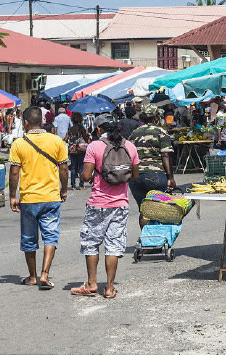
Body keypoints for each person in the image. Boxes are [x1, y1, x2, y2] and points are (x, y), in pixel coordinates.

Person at [70, 114, 139, 298]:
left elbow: (85, 177)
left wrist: (93, 174)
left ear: (99, 129)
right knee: (113, 246)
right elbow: (134, 175)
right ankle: (109, 288)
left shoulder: (94, 146)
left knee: (91, 243)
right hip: (121, 204)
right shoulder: (129, 146)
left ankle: (92, 284)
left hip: (98, 204)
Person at [7, 106, 69, 290]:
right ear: (42, 121)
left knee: (29, 238)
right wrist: (63, 190)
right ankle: (45, 274)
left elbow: (14, 173)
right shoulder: (56, 141)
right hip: (51, 196)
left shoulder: (19, 144)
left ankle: (32, 276)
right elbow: (64, 169)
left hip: (28, 199)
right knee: (50, 236)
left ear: (25, 123)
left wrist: (12, 196)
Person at [128, 105, 175, 229]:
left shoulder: (134, 133)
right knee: (158, 210)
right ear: (156, 116)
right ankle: (156, 240)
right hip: (156, 175)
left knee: (144, 211)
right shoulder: (160, 131)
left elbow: (129, 155)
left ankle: (146, 240)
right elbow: (165, 155)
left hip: (136, 176)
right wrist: (170, 177)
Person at [66, 112, 91, 190]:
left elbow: (66, 139)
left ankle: (73, 185)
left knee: (73, 167)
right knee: (81, 166)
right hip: (81, 149)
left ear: (72, 119)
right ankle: (81, 185)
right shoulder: (81, 128)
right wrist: (87, 135)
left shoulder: (70, 129)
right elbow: (86, 139)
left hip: (72, 150)